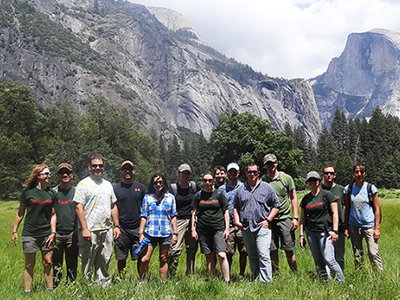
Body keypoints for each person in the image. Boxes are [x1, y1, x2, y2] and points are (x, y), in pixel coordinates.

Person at [74, 154, 121, 287]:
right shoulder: (83, 184)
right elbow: (79, 207)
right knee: (88, 260)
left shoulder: (107, 185)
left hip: (106, 229)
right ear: (89, 167)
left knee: (104, 259)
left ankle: (103, 287)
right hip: (90, 230)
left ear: (103, 167)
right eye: (94, 165)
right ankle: (87, 288)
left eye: (100, 165)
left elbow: (113, 205)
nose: (97, 168)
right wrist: (84, 229)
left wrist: (116, 225)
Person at [12, 164, 57, 293]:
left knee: (48, 262)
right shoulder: (27, 192)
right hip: (30, 233)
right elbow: (20, 213)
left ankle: (50, 290)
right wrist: (14, 231)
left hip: (46, 233)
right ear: (38, 175)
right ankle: (27, 292)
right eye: (46, 174)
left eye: (49, 173)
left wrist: (53, 232)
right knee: (29, 264)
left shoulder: (51, 193)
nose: (49, 176)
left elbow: (53, 214)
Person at [233, 163, 281, 283]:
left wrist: (268, 220)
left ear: (259, 173)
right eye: (249, 172)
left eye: (255, 172)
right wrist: (237, 221)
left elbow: (276, 205)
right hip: (246, 228)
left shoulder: (267, 188)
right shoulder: (240, 190)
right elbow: (235, 207)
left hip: (262, 227)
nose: (252, 174)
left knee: (264, 255)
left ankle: (265, 282)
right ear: (246, 174)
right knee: (253, 256)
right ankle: (255, 278)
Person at [299, 171, 345, 282]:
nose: (312, 182)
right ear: (307, 183)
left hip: (325, 232)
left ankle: (342, 281)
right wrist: (301, 235)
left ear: (319, 181)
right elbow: (302, 219)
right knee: (318, 261)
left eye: (314, 180)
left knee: (329, 259)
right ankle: (324, 282)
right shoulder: (306, 199)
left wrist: (335, 231)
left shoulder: (327, 195)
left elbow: (335, 213)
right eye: (310, 180)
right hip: (311, 233)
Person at [344, 163, 383, 272]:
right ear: (353, 174)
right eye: (357, 172)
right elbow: (347, 208)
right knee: (358, 254)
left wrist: (377, 228)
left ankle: (379, 277)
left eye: (361, 172)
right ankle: (360, 276)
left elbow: (377, 208)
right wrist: (346, 226)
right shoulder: (348, 189)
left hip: (369, 226)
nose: (359, 174)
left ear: (365, 174)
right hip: (354, 226)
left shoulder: (370, 188)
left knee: (373, 253)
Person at [191, 173, 230, 282]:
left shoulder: (219, 194)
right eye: (205, 180)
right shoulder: (198, 196)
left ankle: (227, 280)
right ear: (202, 181)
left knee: (222, 255)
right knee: (208, 256)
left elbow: (226, 211)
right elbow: (194, 213)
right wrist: (193, 229)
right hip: (203, 230)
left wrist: (227, 229)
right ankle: (214, 280)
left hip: (218, 228)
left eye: (210, 180)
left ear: (213, 181)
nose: (207, 183)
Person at [139, 173, 178, 280]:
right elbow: (144, 215)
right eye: (155, 182)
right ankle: (142, 281)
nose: (158, 184)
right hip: (150, 233)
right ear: (152, 184)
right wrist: (141, 233)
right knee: (145, 259)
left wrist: (175, 233)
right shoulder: (147, 197)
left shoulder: (170, 197)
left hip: (166, 232)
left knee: (163, 258)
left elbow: (173, 215)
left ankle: (162, 282)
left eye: (160, 182)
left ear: (164, 183)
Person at [263, 154, 298, 272]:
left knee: (289, 248)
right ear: (264, 165)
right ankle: (275, 273)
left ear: (276, 163)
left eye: (272, 163)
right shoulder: (263, 181)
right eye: (268, 163)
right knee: (272, 249)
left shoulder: (286, 178)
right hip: (269, 220)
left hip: (285, 218)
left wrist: (295, 218)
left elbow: (293, 197)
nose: (270, 166)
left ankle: (294, 272)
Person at [113, 160, 146, 275]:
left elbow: (145, 207)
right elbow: (113, 207)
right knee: (121, 257)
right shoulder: (116, 189)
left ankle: (141, 279)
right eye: (125, 169)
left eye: (129, 169)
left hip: (137, 227)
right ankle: (121, 278)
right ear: (121, 171)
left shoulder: (141, 188)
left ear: (133, 171)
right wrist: (116, 225)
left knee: (140, 255)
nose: (127, 171)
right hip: (122, 227)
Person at [167, 163, 200, 277]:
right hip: (178, 220)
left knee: (191, 249)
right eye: (183, 173)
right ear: (179, 174)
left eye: (187, 173)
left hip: (192, 220)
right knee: (175, 249)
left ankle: (190, 273)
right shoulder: (173, 188)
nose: (185, 175)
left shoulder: (194, 187)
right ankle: (171, 273)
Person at [219, 162, 247, 277]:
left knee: (244, 251)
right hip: (228, 225)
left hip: (242, 224)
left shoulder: (244, 187)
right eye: (230, 172)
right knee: (228, 252)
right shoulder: (221, 190)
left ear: (238, 173)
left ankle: (242, 273)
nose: (232, 174)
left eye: (234, 172)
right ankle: (228, 274)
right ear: (227, 173)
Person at [53, 163, 78, 286]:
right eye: (62, 173)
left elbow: (81, 212)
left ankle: (71, 285)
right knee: (56, 262)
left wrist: (77, 229)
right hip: (56, 233)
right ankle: (56, 285)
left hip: (72, 232)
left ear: (71, 175)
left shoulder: (77, 192)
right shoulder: (54, 192)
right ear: (58, 176)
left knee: (72, 262)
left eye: (67, 173)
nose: (65, 175)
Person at [321, 165, 346, 271]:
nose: (329, 175)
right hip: (324, 229)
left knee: (339, 256)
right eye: (326, 173)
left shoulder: (341, 190)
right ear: (323, 175)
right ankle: (327, 279)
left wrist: (346, 225)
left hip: (339, 228)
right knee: (325, 257)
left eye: (331, 173)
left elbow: (347, 207)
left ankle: (340, 278)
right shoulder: (319, 190)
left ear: (335, 175)